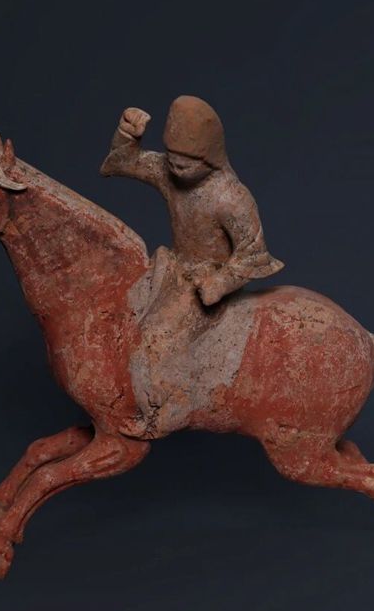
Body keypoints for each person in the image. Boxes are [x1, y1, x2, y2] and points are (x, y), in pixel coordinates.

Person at [100, 95, 284, 435]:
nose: (177, 168)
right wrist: (127, 135)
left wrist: (220, 283)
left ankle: (162, 411)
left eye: (187, 163)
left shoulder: (231, 197)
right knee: (115, 313)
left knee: (156, 337)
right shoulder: (167, 171)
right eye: (172, 160)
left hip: (204, 281)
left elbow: (254, 253)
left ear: (211, 158)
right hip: (170, 267)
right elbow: (125, 162)